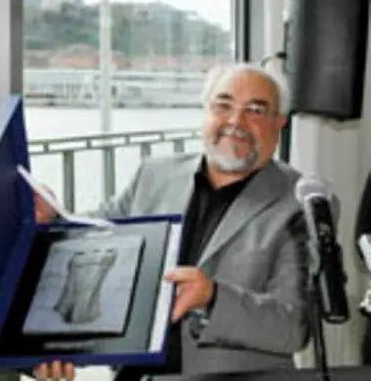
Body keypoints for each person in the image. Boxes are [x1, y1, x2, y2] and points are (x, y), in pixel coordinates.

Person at [35, 62, 311, 376]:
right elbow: (94, 234)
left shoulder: (299, 202)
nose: (236, 121)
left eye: (256, 110)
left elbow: (293, 325)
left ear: (280, 123)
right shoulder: (153, 175)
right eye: (223, 105)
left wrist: (213, 297)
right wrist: (54, 218)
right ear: (206, 113)